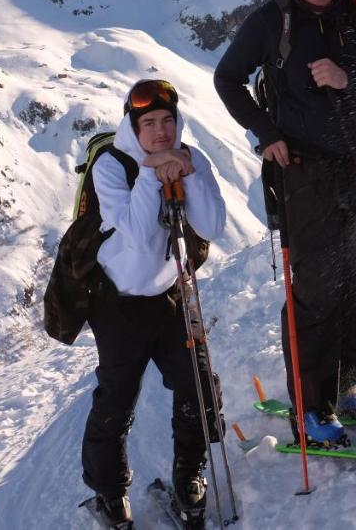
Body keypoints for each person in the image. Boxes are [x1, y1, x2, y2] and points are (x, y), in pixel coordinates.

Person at [213, 0, 356, 446]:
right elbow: (226, 79)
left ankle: (345, 382)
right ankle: (312, 408)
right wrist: (267, 133)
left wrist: (349, 78)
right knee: (317, 289)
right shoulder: (270, 22)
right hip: (305, 171)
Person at [81, 79, 226, 529]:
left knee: (197, 387)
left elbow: (212, 226)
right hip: (118, 303)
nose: (160, 131)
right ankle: (109, 494)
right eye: (149, 122)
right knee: (116, 401)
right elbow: (139, 235)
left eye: (167, 120)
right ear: (133, 124)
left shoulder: (190, 156)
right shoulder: (111, 165)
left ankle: (188, 477)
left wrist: (187, 173)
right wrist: (150, 172)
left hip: (170, 293)